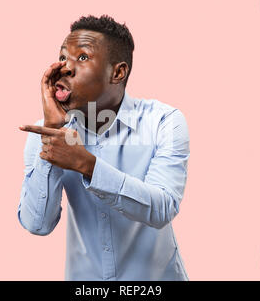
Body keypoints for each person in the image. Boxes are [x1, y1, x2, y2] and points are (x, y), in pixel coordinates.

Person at [17, 14, 190, 281]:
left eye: (82, 57)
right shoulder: (47, 131)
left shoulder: (163, 121)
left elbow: (162, 208)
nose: (65, 68)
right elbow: (37, 224)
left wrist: (87, 165)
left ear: (118, 72)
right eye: (63, 57)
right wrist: (53, 133)